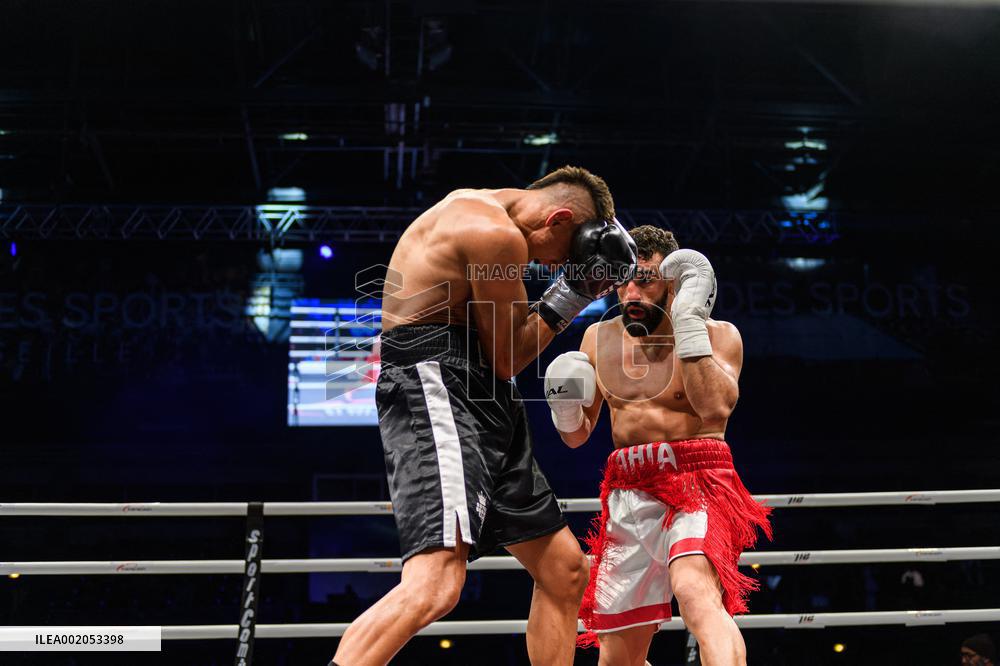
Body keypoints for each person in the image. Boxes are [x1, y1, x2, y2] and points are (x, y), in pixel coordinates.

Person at [331, 166, 638, 666]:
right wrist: (574, 292)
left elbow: (498, 362)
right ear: (558, 219)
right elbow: (509, 356)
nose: (555, 266)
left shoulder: (489, 214)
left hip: (482, 393)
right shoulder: (493, 233)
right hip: (439, 384)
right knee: (436, 584)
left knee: (564, 571)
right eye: (564, 255)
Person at [543, 225, 771, 666]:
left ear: (673, 283)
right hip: (627, 488)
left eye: (645, 281)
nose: (631, 292)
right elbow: (576, 437)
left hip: (697, 480)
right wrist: (564, 408)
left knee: (695, 591)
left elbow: (715, 410)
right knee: (617, 655)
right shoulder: (598, 338)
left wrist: (687, 325)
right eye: (623, 281)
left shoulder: (720, 335)